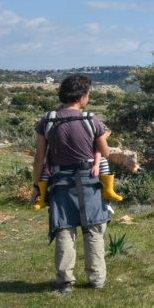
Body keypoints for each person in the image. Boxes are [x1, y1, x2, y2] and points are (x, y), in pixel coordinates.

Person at [32, 74, 114, 294]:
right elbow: (105, 152)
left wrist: (36, 186)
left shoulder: (47, 121)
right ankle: (97, 278)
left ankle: (65, 281)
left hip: (59, 182)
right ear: (82, 96)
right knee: (94, 228)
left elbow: (39, 158)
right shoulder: (90, 120)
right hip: (89, 179)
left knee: (64, 229)